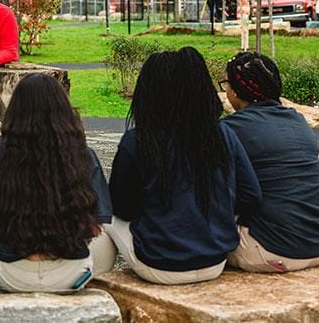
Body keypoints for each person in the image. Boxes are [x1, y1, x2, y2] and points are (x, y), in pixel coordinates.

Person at [107, 47, 261, 285]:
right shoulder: (222, 134)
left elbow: (123, 208)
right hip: (215, 262)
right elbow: (250, 196)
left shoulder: (138, 141)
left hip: (159, 265)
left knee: (105, 217)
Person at [0, 74, 116, 293]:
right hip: (71, 274)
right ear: (64, 111)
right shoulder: (83, 156)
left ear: (15, 111)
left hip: (14, 275)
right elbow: (96, 226)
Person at [220, 52, 319, 273]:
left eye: (226, 84)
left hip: (272, 249)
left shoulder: (231, 129)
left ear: (235, 91)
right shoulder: (297, 121)